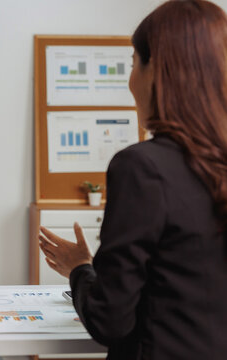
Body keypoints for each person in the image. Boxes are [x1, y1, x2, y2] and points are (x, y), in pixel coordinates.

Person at [38, 1, 227, 359]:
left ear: (156, 69)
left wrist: (80, 269)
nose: (130, 80)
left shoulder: (142, 168)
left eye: (132, 64)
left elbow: (110, 321)